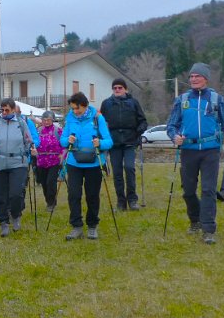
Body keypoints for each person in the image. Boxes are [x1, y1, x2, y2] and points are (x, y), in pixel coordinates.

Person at [166, 62, 224, 244]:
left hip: (210, 151)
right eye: (191, 76)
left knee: (208, 190)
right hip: (188, 150)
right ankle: (195, 220)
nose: (193, 79)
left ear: (205, 78)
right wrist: (175, 136)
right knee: (188, 191)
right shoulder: (182, 100)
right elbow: (171, 125)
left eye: (197, 76)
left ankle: (208, 229)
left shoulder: (217, 99)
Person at [60, 92, 114, 240]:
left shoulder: (98, 118)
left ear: (85, 106)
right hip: (74, 162)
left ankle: (92, 226)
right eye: (72, 108)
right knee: (73, 195)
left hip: (94, 163)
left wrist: (100, 143)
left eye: (77, 108)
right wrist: (68, 140)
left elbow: (109, 141)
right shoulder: (70, 118)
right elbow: (62, 140)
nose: (75, 111)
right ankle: (76, 227)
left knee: (92, 195)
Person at [0, 98, 38, 236]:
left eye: (7, 110)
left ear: (14, 109)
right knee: (0, 196)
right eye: (2, 110)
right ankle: (3, 222)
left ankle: (15, 215)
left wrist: (32, 149)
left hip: (18, 163)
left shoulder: (21, 123)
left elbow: (29, 141)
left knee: (16, 193)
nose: (4, 113)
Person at [99, 78, 148, 211]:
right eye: (115, 88)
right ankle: (121, 202)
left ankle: (132, 200)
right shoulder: (106, 104)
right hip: (113, 143)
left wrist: (137, 132)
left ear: (125, 89)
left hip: (130, 142)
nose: (117, 90)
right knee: (117, 173)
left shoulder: (134, 103)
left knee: (129, 168)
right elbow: (100, 123)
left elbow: (143, 121)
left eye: (120, 87)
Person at [32, 111, 64, 213]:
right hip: (41, 160)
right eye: (44, 120)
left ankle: (51, 203)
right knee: (44, 182)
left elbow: (64, 144)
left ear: (52, 120)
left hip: (54, 160)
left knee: (51, 182)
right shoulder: (39, 130)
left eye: (48, 120)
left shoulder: (58, 130)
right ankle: (48, 201)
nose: (46, 122)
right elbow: (34, 142)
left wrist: (62, 155)